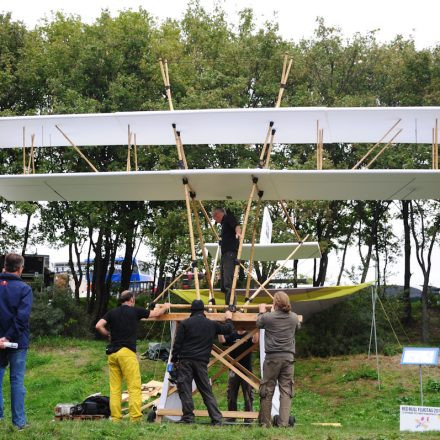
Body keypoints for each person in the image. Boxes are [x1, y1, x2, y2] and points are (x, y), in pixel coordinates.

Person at [95, 291, 170, 422]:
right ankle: (135, 418)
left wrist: (108, 335)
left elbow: (98, 325)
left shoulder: (112, 312)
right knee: (134, 387)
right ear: (131, 300)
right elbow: (157, 314)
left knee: (115, 388)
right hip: (126, 353)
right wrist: (166, 306)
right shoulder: (135, 311)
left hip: (112, 353)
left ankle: (116, 418)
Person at [171, 299, 234, 425]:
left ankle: (188, 417)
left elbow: (177, 344)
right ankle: (216, 419)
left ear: (192, 311)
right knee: (206, 390)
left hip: (186, 361)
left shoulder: (185, 323)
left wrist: (174, 360)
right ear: (203, 311)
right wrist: (229, 317)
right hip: (201, 362)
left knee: (185, 389)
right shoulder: (211, 324)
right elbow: (228, 329)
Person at [0, 253, 33, 430]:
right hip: (17, 342)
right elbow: (22, 319)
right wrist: (7, 338)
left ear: (5, 265)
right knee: (16, 381)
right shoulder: (24, 289)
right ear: (20, 269)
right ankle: (19, 423)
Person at [256, 291, 299, 428]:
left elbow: (258, 323)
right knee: (286, 390)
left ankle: (266, 423)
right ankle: (283, 423)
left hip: (272, 358)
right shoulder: (293, 317)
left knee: (267, 389)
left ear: (275, 303)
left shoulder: (268, 317)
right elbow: (297, 327)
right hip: (288, 358)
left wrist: (262, 311)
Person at [218, 328, 259, 422]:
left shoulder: (249, 334)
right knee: (231, 394)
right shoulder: (232, 335)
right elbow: (222, 341)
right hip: (233, 370)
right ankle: (231, 417)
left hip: (246, 370)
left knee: (248, 394)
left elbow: (255, 341)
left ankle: (249, 417)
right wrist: (220, 328)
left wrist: (256, 327)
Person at [212, 207, 242, 306]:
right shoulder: (224, 224)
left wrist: (238, 233)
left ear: (217, 214)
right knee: (224, 283)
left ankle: (231, 305)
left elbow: (237, 225)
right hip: (226, 254)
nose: (215, 220)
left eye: (214, 217)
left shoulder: (228, 218)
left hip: (230, 253)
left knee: (228, 282)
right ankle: (228, 304)